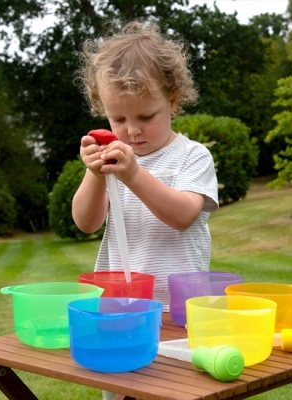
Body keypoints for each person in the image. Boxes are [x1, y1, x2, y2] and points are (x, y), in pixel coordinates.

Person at [72, 20, 218, 313]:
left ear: (173, 102)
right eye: (119, 120)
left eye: (146, 117)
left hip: (179, 306)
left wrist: (134, 174)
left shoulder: (193, 156)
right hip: (123, 302)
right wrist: (94, 173)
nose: (133, 131)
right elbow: (87, 223)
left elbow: (183, 216)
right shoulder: (114, 161)